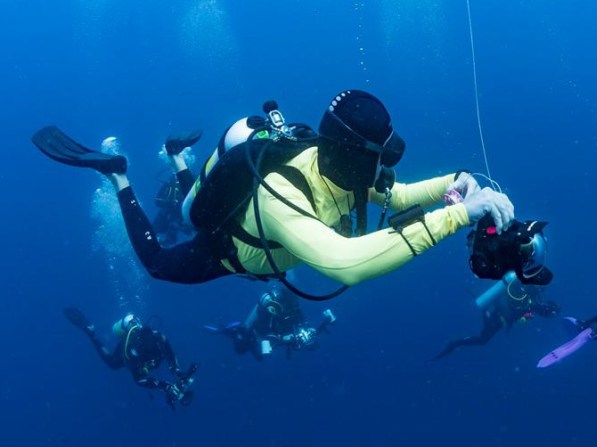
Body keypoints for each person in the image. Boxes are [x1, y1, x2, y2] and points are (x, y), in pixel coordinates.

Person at [32, 91, 514, 297]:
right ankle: (118, 175)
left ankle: (178, 158)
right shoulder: (282, 197)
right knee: (158, 263)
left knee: (190, 208)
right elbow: (348, 262)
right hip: (226, 253)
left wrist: (457, 181)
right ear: (354, 154)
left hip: (251, 219)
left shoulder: (344, 167)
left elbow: (401, 195)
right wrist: (456, 218)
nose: (385, 169)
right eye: (380, 157)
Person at [63, 308, 198, 409]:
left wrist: (178, 372)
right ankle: (91, 334)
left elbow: (171, 357)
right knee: (113, 364)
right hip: (128, 350)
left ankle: (94, 332)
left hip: (140, 346)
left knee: (160, 360)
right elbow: (138, 379)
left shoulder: (159, 338)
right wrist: (164, 385)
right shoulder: (133, 351)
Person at [204, 284, 336, 360]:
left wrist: (308, 333)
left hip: (274, 337)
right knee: (241, 347)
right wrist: (285, 338)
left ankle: (233, 329)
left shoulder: (296, 311)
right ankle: (228, 329)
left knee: (259, 357)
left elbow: (303, 323)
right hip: (256, 334)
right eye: (293, 303)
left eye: (295, 303)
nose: (295, 305)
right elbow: (266, 331)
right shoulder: (274, 309)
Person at [432, 285, 559, 360]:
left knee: (483, 338)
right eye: (546, 313)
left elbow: (519, 319)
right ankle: (455, 343)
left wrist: (524, 316)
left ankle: (485, 309)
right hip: (499, 317)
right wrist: (524, 315)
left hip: (500, 317)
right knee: (483, 339)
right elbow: (516, 315)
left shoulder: (531, 304)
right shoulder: (530, 302)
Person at [151, 130, 203, 246]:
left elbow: (199, 200)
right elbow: (157, 201)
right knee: (159, 237)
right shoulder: (171, 181)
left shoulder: (194, 179)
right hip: (172, 217)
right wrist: (169, 203)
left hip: (189, 217)